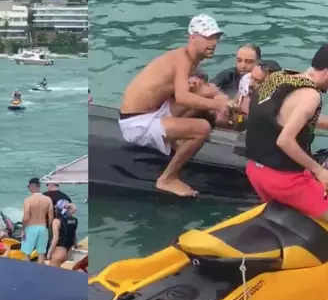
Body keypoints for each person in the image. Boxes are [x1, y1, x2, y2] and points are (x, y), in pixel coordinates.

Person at [118, 14, 232, 197]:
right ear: (193, 38)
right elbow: (182, 97)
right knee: (202, 128)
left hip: (154, 111)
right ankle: (167, 178)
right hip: (137, 123)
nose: (213, 43)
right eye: (208, 37)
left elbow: (179, 91)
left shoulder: (188, 59)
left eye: (216, 38)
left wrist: (221, 99)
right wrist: (217, 106)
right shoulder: (181, 60)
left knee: (202, 90)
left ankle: (178, 139)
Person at [244, 45, 328, 222]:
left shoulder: (278, 77)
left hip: (255, 171)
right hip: (285, 181)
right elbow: (284, 141)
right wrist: (320, 171)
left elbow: (280, 117)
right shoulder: (311, 95)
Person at [22, 178, 54, 264]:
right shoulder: (48, 199)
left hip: (30, 228)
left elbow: (26, 217)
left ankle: (27, 270)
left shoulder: (28, 200)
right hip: (43, 228)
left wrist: (23, 229)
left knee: (27, 253)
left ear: (31, 186)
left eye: (28, 187)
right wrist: (49, 229)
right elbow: (51, 218)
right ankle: (40, 271)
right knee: (41, 253)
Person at [48, 200, 78, 267]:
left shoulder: (57, 221)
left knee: (52, 272)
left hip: (60, 251)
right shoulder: (74, 220)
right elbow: (74, 234)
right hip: (69, 252)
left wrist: (49, 253)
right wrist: (76, 245)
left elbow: (55, 239)